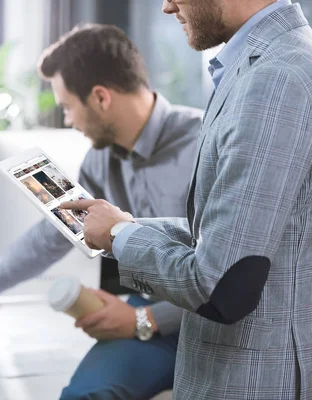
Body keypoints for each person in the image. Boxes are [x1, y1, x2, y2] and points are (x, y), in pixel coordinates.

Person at [0, 24, 203, 399]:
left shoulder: (207, 144)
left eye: (68, 107)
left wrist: (143, 320)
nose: (68, 120)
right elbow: (51, 237)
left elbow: (229, 272)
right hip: (151, 312)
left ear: (101, 98)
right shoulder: (101, 161)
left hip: (211, 321)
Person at [62, 1, 312, 398]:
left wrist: (120, 237)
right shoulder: (255, 67)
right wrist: (122, 225)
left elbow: (221, 283)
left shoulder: (275, 78)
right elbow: (236, 236)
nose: (167, 6)